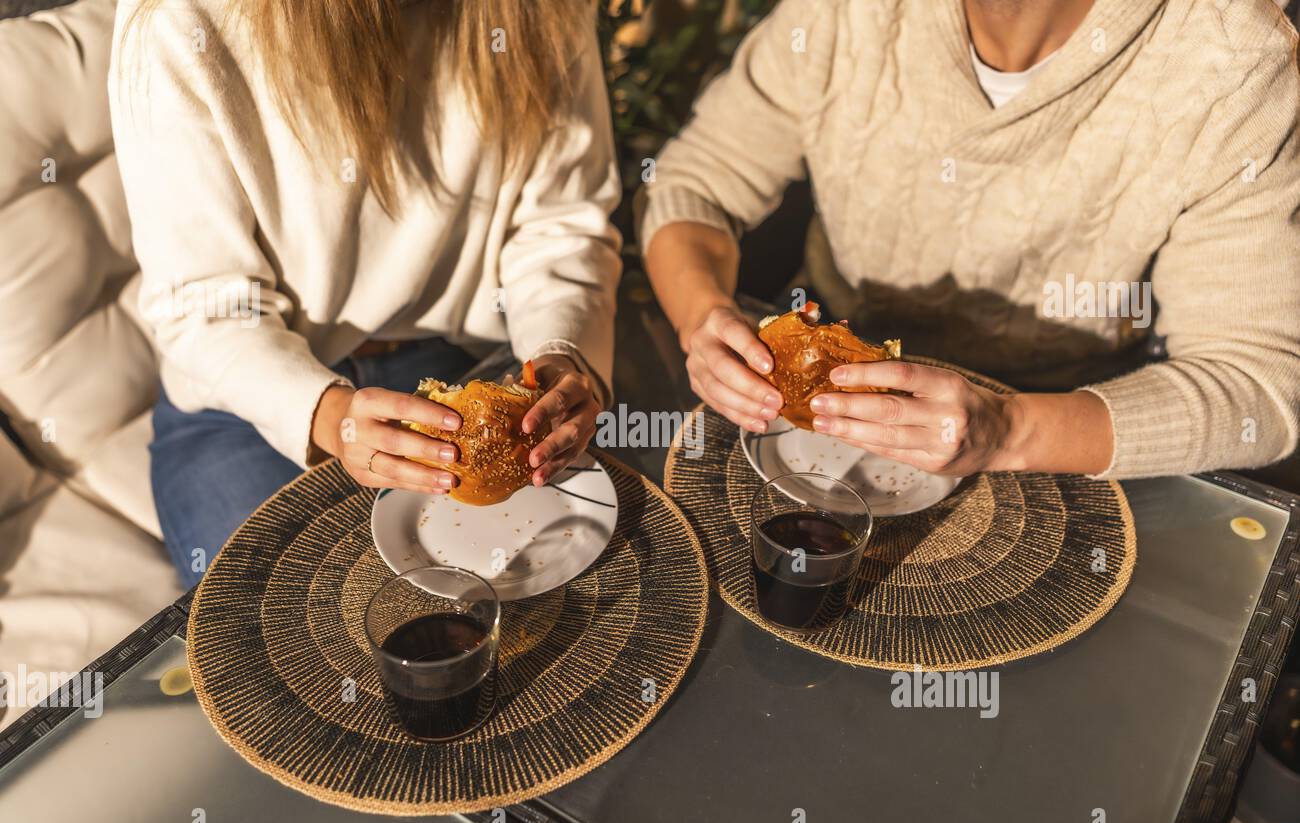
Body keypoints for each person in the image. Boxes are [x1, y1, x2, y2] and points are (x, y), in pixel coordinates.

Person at [642, 0, 1300, 480]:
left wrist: (1007, 430)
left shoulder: (1233, 60)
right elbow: (697, 181)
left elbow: (1259, 383)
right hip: (824, 388)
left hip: (1059, 422)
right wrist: (703, 316)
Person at [109, 0, 620, 586]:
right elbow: (204, 302)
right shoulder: (184, 17)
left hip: (450, 366)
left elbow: (560, 226)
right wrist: (330, 416)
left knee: (558, 592)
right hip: (242, 404)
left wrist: (562, 353)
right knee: (292, 634)